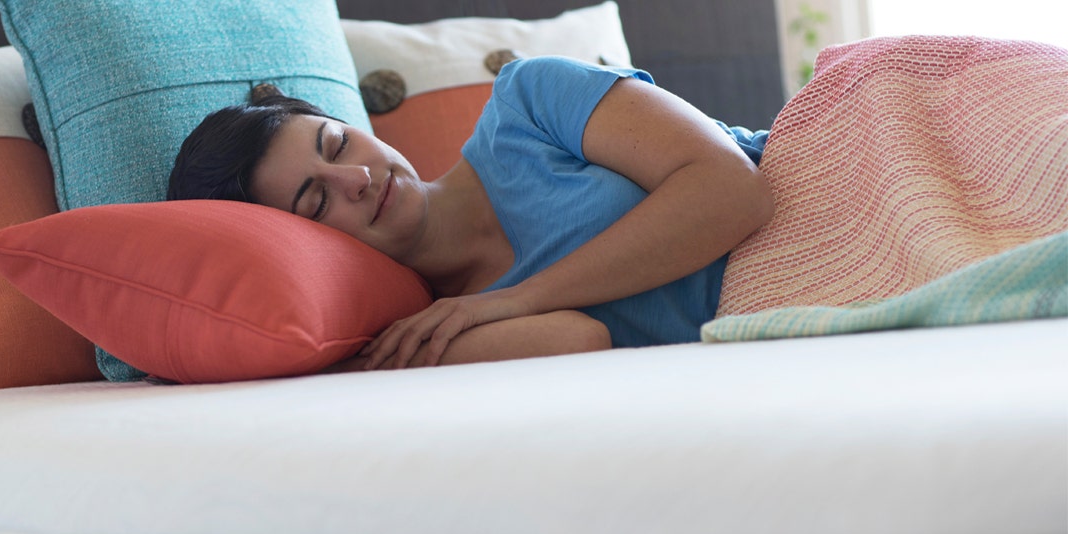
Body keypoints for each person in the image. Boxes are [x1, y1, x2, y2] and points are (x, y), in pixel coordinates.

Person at [167, 56, 775, 370]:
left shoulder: (527, 102)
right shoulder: (430, 327)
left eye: (337, 143)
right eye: (317, 200)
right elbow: (578, 338)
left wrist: (516, 297)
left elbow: (734, 188)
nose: (355, 178)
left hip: (837, 165)